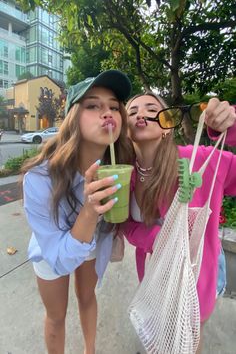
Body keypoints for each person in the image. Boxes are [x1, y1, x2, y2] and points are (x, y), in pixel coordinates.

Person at [21, 69, 133, 354]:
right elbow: (59, 260)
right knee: (57, 315)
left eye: (113, 107)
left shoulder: (121, 162)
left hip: (92, 242)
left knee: (87, 297)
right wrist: (89, 211)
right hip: (52, 248)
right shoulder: (40, 178)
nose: (106, 113)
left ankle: (90, 351)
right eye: (93, 105)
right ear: (73, 117)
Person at [122, 93, 236, 353]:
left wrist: (232, 127)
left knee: (189, 337)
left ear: (166, 126)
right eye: (132, 111)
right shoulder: (124, 172)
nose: (141, 114)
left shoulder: (199, 160)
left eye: (152, 108)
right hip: (155, 276)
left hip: (198, 277)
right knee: (164, 335)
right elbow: (124, 224)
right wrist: (154, 238)